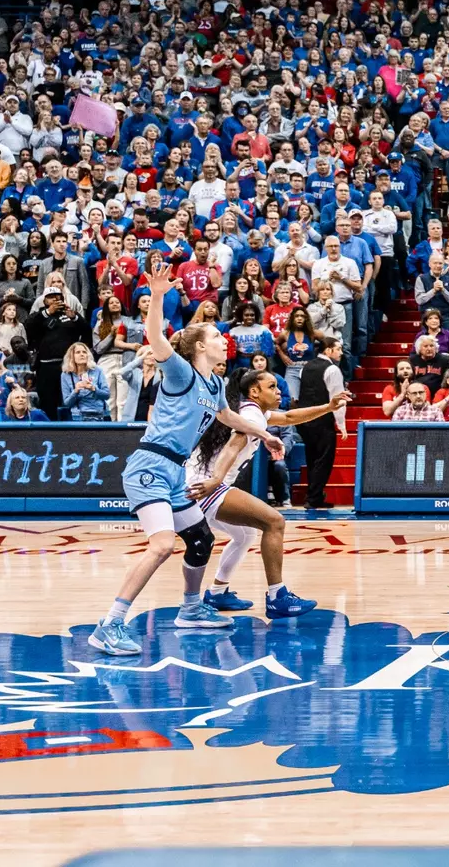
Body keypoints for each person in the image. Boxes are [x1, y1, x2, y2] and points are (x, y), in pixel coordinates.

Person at [87, 266, 283, 657]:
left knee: (201, 539)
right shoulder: (179, 371)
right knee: (161, 545)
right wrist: (157, 295)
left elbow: (228, 417)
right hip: (150, 468)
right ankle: (109, 625)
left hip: (174, 473)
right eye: (214, 336)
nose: (222, 338)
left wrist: (264, 433)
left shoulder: (213, 385)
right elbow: (157, 337)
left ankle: (191, 609)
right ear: (197, 347)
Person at [185, 368, 353, 616]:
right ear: (254, 391)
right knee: (274, 522)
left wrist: (328, 407)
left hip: (201, 484)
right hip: (206, 486)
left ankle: (217, 593)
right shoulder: (252, 416)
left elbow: (288, 418)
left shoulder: (254, 413)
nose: (279, 391)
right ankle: (277, 596)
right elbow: (234, 445)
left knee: (245, 535)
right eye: (272, 387)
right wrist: (216, 480)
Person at [296, 335, 348, 510]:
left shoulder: (305, 367)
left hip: (304, 419)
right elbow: (338, 398)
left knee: (312, 458)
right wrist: (341, 425)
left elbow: (300, 394)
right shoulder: (332, 370)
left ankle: (314, 496)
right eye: (338, 349)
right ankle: (313, 497)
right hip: (322, 419)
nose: (341, 352)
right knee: (324, 459)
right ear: (328, 350)